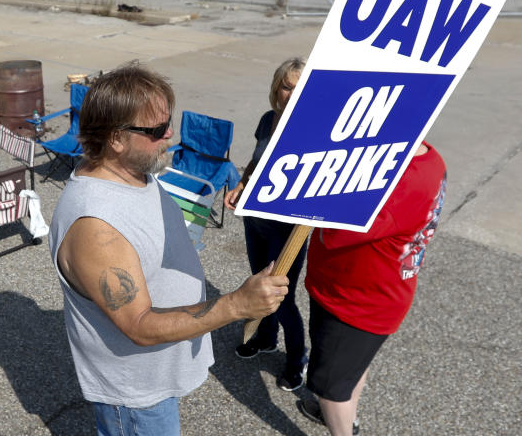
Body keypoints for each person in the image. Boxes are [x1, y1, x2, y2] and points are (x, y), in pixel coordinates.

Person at [49, 63, 289, 435]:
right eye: (157, 129)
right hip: (135, 399)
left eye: (169, 122)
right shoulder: (95, 228)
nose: (170, 134)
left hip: (154, 379)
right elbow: (140, 325)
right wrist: (236, 305)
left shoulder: (133, 172)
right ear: (115, 138)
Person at [296, 141, 446, 436]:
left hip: (354, 303)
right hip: (379, 294)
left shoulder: (400, 180)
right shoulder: (430, 158)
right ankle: (347, 417)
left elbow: (335, 232)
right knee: (352, 367)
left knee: (329, 386)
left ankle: (340, 421)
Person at [224, 57, 308, 390]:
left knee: (282, 297)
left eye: (299, 89)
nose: (291, 94)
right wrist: (241, 185)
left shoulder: (311, 130)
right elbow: (256, 161)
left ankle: (297, 359)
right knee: (259, 284)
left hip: (287, 228)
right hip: (255, 220)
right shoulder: (266, 119)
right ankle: (268, 337)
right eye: (286, 87)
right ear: (277, 89)